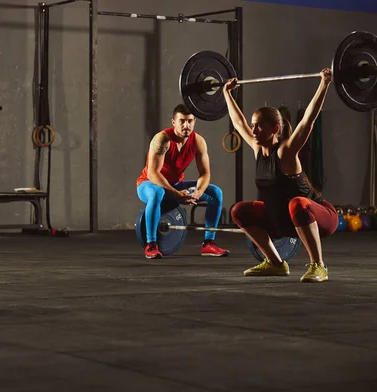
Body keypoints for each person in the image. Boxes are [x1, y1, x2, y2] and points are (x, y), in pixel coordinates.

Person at [223, 68, 338, 282]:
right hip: (283, 220)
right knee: (239, 210)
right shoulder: (258, 150)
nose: (253, 130)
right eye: (253, 125)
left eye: (258, 126)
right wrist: (226, 93)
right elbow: (238, 123)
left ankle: (318, 266)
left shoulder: (285, 152)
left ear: (275, 128)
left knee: (297, 203)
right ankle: (275, 263)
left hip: (319, 216)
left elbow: (308, 121)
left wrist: (324, 84)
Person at [136, 104, 229, 259]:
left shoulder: (198, 141)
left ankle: (208, 243)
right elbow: (153, 174)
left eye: (190, 121)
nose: (187, 125)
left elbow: (205, 173)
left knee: (215, 193)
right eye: (182, 121)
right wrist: (176, 194)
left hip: (175, 186)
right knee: (157, 192)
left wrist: (198, 191)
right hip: (148, 185)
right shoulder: (162, 139)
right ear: (174, 122)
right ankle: (151, 244)